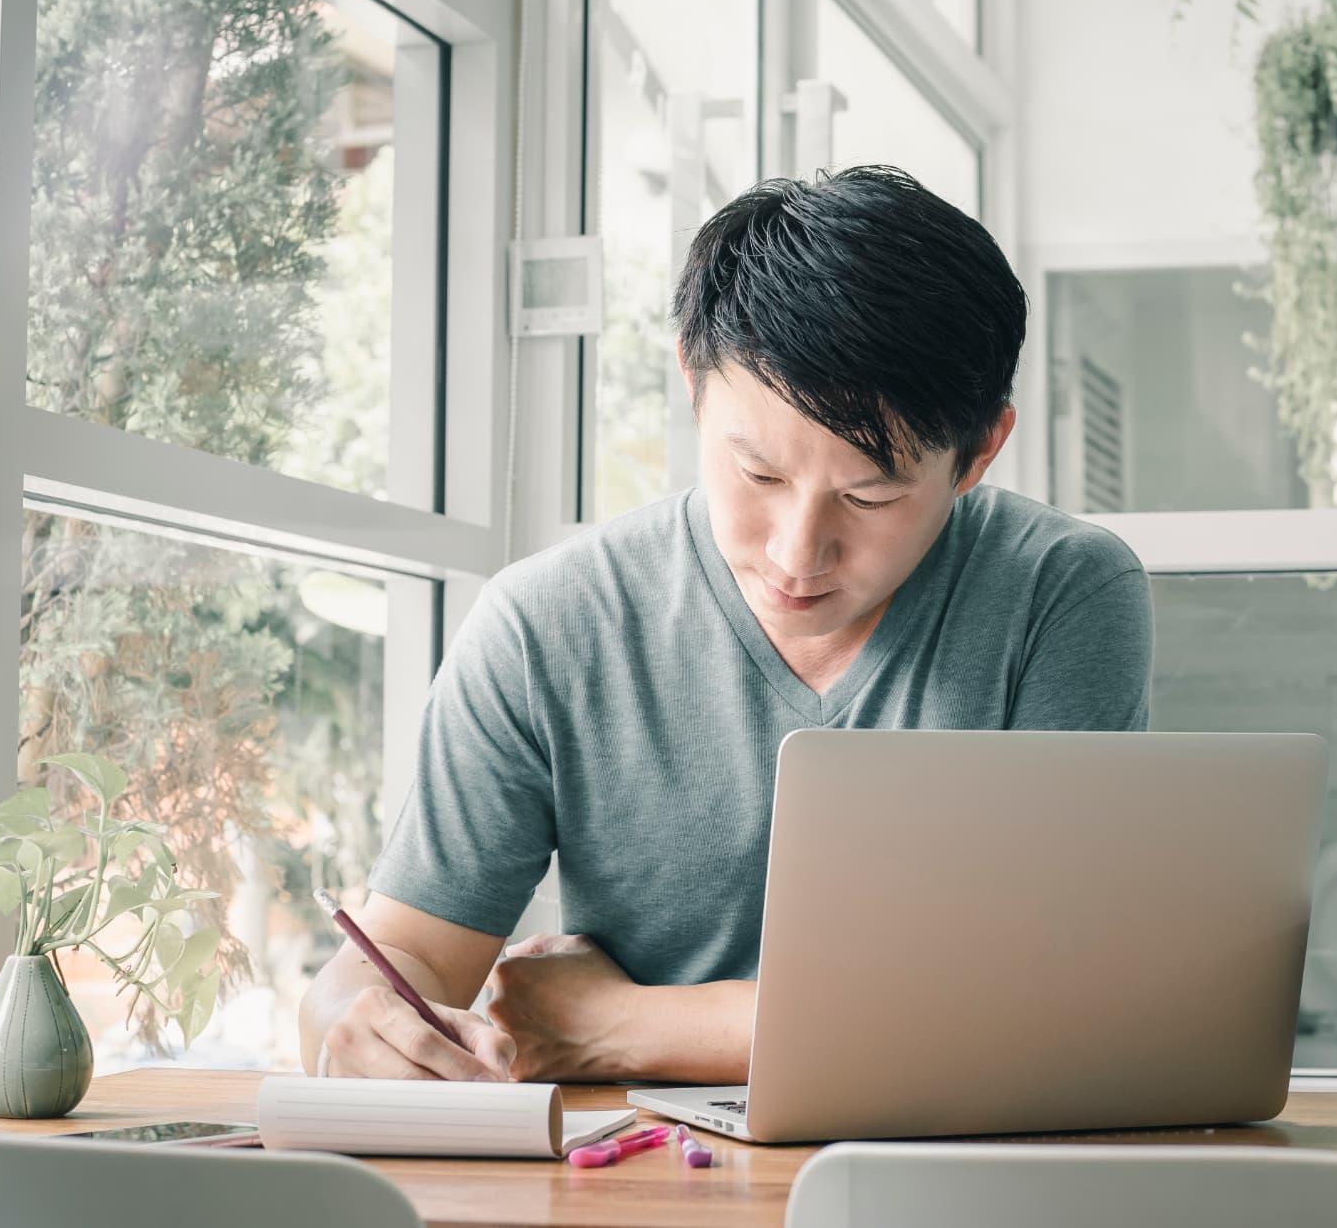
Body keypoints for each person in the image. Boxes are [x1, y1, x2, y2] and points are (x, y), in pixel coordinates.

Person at [299, 166, 1153, 1083]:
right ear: (692, 384)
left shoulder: (1059, 592)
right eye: (759, 475)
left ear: (980, 451)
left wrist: (616, 1026)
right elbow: (403, 957)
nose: (798, 552)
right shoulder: (543, 625)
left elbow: (1056, 999)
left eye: (871, 495)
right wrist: (357, 1022)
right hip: (628, 1183)